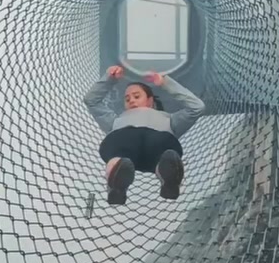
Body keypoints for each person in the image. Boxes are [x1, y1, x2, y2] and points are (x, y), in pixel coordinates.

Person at [84, 65, 205, 205]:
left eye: (136, 96)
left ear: (150, 100)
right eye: (127, 99)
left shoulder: (170, 119)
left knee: (167, 155)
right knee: (116, 152)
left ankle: (169, 180)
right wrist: (109, 79)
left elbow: (197, 107)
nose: (131, 100)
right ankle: (116, 186)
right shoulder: (115, 121)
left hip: (157, 147)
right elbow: (91, 101)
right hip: (124, 146)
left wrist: (165, 83)